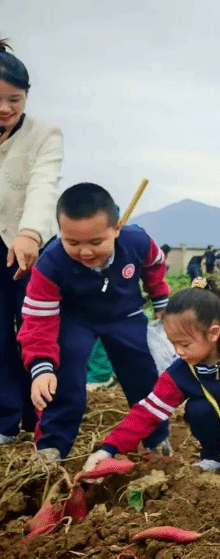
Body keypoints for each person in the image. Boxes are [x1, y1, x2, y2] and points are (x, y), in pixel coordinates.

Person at [17, 183, 172, 462]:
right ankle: (51, 445)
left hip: (125, 315)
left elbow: (154, 264)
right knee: (63, 374)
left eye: (96, 242)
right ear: (60, 233)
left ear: (117, 228)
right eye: (73, 243)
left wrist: (160, 297)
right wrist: (42, 366)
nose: (85, 252)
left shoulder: (136, 241)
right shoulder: (50, 264)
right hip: (76, 319)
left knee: (142, 373)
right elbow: (37, 321)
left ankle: (156, 438)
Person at [82, 279, 220, 474]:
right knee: (198, 410)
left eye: (185, 344)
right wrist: (109, 449)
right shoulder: (179, 373)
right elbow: (147, 412)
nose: (178, 352)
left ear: (213, 333)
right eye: (173, 343)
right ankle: (214, 457)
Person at [0, 38, 63, 446]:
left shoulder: (44, 135)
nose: (6, 109)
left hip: (31, 245)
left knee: (34, 330)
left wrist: (30, 234)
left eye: (15, 99)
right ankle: (6, 419)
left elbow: (43, 185)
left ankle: (40, 417)